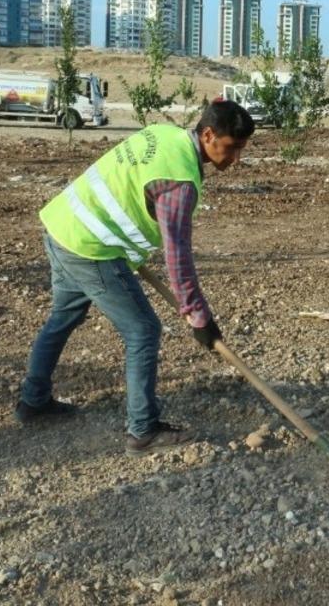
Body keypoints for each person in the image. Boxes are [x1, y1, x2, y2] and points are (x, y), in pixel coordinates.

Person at [15, 100, 255, 454]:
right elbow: (177, 255)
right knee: (143, 330)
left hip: (63, 223)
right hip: (90, 246)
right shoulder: (179, 182)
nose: (235, 160)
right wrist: (198, 315)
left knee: (63, 317)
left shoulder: (165, 135)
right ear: (207, 135)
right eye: (232, 148)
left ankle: (32, 402)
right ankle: (142, 430)